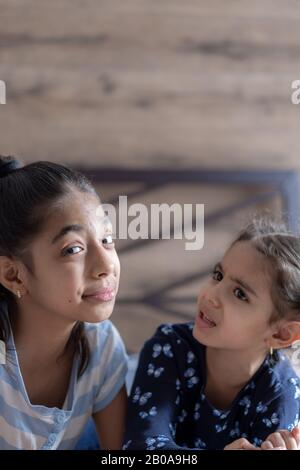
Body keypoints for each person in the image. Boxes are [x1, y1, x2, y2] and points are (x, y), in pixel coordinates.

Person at [123, 218, 300, 450]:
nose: (210, 295)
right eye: (218, 275)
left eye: (239, 293)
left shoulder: (280, 394)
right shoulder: (169, 347)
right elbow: (140, 448)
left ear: (281, 334)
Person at [0, 155, 127, 450]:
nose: (106, 264)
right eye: (73, 249)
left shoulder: (102, 346)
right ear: (13, 275)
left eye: (107, 239)